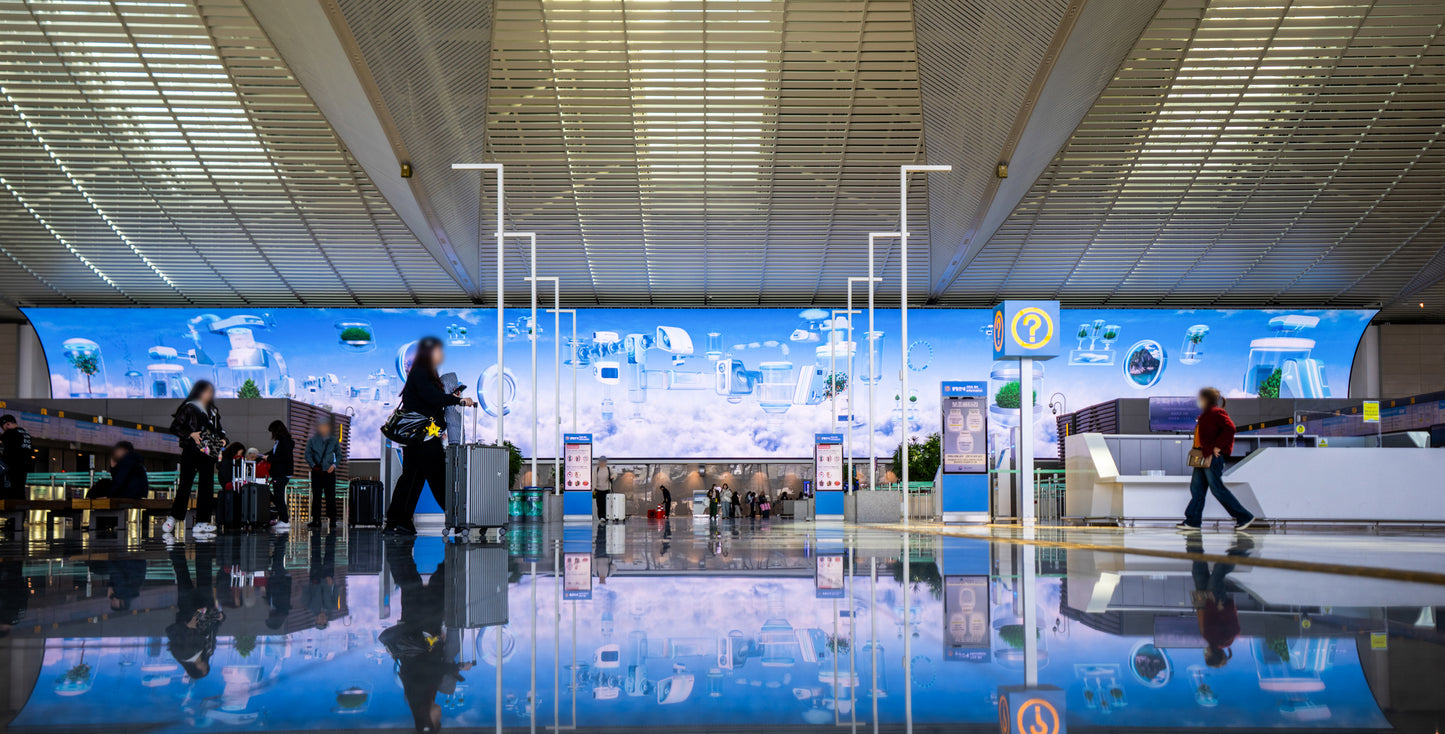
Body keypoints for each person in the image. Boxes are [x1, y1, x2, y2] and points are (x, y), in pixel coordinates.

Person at [384, 337, 475, 535]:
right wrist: (456, 400)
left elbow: (430, 403)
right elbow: (432, 398)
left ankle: (397, 521)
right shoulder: (421, 372)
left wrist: (448, 402)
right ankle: (456, 519)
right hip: (423, 438)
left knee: (412, 479)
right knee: (439, 478)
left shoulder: (423, 373)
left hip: (418, 438)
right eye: (437, 351)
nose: (441, 355)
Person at [382, 538, 470, 733]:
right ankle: (401, 543)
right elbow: (430, 666)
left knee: (417, 579)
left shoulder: (417, 693)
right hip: (423, 622)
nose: (440, 717)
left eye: (438, 721)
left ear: (429, 721)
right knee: (420, 579)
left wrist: (455, 667)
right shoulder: (421, 696)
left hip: (421, 621)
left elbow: (427, 666)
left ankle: (397, 540)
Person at [1178, 387, 1256, 531]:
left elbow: (1230, 428)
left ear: (1206, 399)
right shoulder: (1207, 415)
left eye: (1200, 398)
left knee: (1217, 489)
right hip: (1203, 456)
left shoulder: (1216, 413)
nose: (1198, 401)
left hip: (1212, 458)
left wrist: (1218, 447)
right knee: (1197, 489)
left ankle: (1244, 516)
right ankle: (1193, 521)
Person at [165, 381, 225, 538]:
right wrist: (190, 434)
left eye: (211, 392)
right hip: (191, 450)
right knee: (185, 484)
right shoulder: (190, 407)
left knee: (207, 487)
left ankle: (202, 522)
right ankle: (174, 517)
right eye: (206, 391)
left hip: (208, 452)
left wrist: (224, 439)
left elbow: (220, 430)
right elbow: (175, 427)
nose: (209, 395)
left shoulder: (213, 411)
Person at [1188, 534, 1253, 667]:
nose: (1205, 653)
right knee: (1218, 572)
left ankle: (1193, 536)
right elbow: (1233, 625)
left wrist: (1199, 603)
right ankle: (1242, 550)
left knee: (1198, 566)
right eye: (1207, 656)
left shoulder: (1209, 640)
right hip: (1216, 602)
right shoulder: (1225, 641)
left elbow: (1204, 620)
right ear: (1214, 655)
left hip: (1204, 602)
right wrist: (1221, 608)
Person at [167, 542, 223, 680]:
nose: (206, 666)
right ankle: (202, 542)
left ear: (197, 669)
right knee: (204, 575)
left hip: (188, 610)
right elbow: (212, 632)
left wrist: (188, 626)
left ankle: (174, 546)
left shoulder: (183, 655)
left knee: (182, 575)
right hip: (205, 609)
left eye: (204, 669)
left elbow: (170, 632)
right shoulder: (208, 653)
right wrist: (220, 618)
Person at [306, 421, 342, 529]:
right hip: (317, 472)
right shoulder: (312, 440)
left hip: (329, 472)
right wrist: (313, 465)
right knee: (316, 496)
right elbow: (308, 454)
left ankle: (332, 520)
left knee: (330, 496)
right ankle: (316, 520)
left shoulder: (334, 440)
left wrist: (334, 465)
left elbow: (339, 455)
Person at [304, 532, 338, 629]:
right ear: (327, 620)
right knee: (330, 554)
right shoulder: (332, 607)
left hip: (316, 578)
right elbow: (336, 592)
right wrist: (332, 584)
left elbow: (306, 592)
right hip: (328, 578)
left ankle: (316, 533)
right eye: (324, 622)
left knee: (315, 555)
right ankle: (332, 533)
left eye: (320, 622)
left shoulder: (310, 607)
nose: (322, 620)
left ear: (316, 620)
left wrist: (311, 582)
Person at [264, 421, 293, 531]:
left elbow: (282, 458)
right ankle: (283, 519)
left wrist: (269, 459)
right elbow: (273, 453)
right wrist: (264, 456)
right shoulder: (280, 442)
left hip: (281, 473)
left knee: (279, 497)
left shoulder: (284, 442)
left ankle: (285, 520)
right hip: (281, 473)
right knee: (278, 496)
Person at [1, 414, 33, 501]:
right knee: (20, 490)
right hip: (24, 467)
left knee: (10, 492)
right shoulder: (25, 433)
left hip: (13, 467)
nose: (3, 430)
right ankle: (20, 511)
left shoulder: (10, 433)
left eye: (3, 427)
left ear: (7, 424)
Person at [593, 458, 613, 523]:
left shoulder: (608, 469)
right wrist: (594, 488)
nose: (602, 463)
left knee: (606, 504)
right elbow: (594, 479)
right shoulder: (596, 469)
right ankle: (601, 517)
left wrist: (612, 476)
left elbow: (615, 474)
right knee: (599, 504)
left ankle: (605, 516)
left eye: (604, 461)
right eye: (601, 461)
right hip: (598, 489)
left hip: (607, 489)